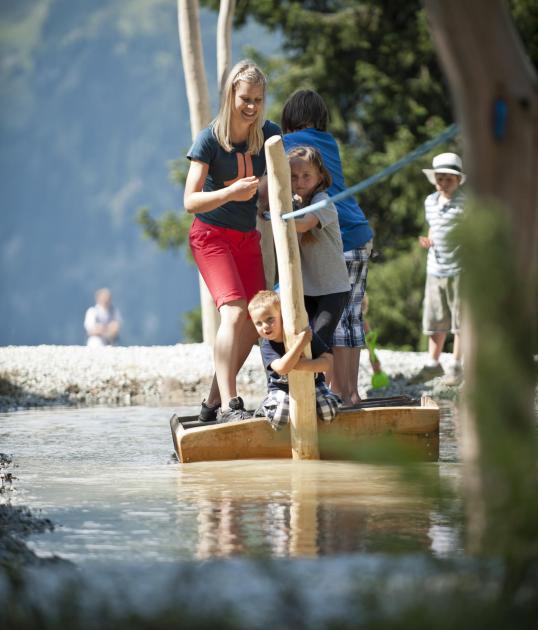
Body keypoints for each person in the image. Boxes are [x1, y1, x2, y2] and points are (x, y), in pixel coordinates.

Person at [184, 59, 281, 423]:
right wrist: (231, 194)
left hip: (247, 238)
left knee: (257, 322)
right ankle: (230, 406)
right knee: (236, 313)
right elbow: (189, 201)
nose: (252, 107)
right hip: (210, 236)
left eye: (258, 99)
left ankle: (211, 404)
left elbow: (279, 178)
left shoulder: (268, 133)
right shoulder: (209, 138)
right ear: (231, 96)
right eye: (245, 99)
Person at [281, 89, 373, 406]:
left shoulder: (290, 145)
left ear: (290, 120)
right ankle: (351, 392)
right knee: (351, 318)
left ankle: (336, 395)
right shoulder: (329, 143)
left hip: (338, 239)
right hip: (359, 233)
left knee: (332, 320)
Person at [287, 145, 351, 352]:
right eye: (294, 177)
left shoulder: (323, 201)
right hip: (307, 288)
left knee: (318, 343)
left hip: (332, 289)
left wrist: (279, 219)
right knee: (303, 341)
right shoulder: (293, 205)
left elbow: (305, 224)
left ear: (320, 176)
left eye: (307, 176)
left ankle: (318, 383)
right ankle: (318, 382)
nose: (300, 182)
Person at [409, 152, 465, 386]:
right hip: (435, 267)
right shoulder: (430, 201)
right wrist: (428, 240)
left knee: (460, 319)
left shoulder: (466, 202)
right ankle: (433, 363)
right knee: (435, 318)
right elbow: (433, 228)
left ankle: (457, 365)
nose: (443, 183)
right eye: (440, 178)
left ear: (459, 180)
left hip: (460, 268)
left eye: (448, 179)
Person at [248, 290, 340, 430]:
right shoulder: (267, 345)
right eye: (258, 323)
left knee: (328, 413)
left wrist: (307, 365)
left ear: (282, 316)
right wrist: (300, 345)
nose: (265, 326)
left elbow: (328, 362)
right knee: (279, 419)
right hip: (281, 389)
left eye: (270, 319)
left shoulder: (305, 334)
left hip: (314, 384)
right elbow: (282, 368)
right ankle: (265, 409)